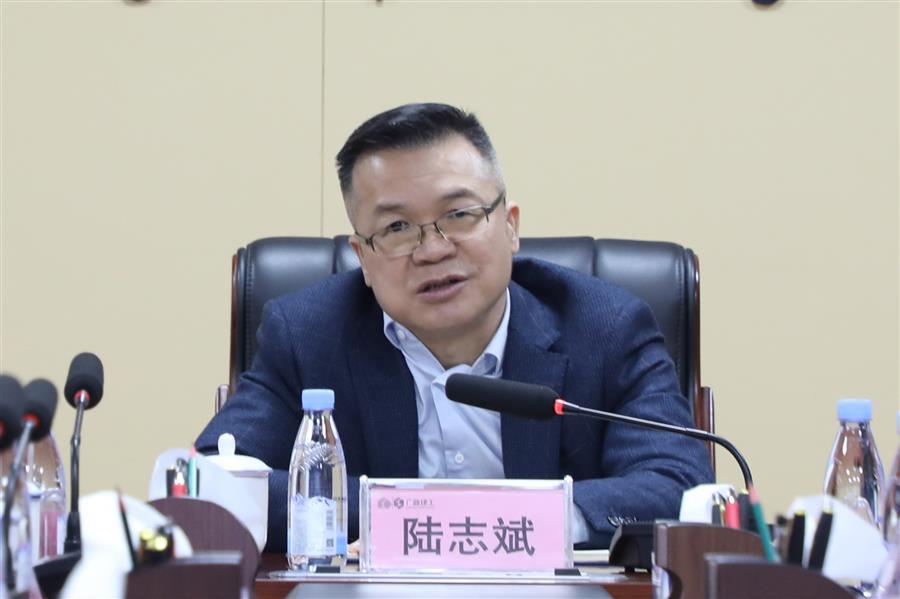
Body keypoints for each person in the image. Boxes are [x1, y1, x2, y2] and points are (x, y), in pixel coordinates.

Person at [196, 102, 714, 552]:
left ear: (510, 226)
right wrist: (408, 520)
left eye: (459, 214)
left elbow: (678, 485)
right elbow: (214, 486)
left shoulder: (606, 327)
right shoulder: (306, 334)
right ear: (363, 258)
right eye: (397, 227)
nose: (433, 250)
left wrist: (517, 523)